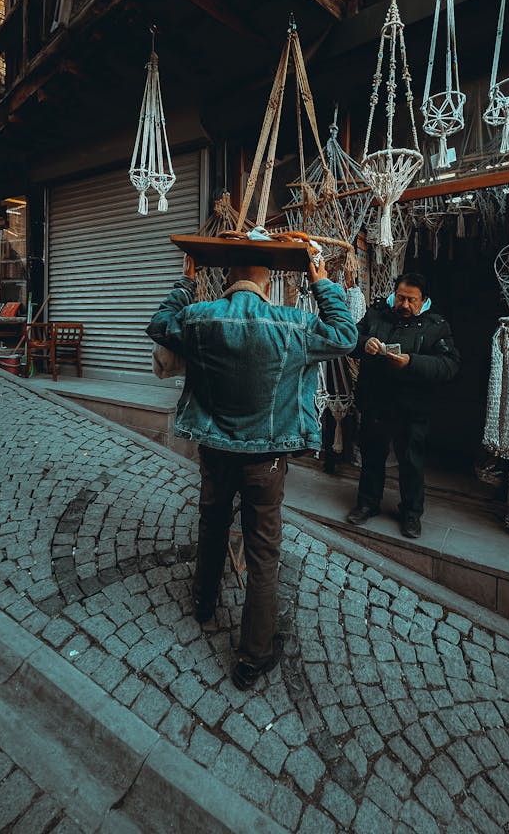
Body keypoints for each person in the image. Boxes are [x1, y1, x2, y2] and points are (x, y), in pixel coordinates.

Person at [147, 253, 357, 689]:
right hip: (267, 461)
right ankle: (252, 658)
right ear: (266, 282)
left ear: (227, 279)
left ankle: (204, 603)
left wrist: (186, 282)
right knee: (263, 553)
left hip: (216, 453)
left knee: (211, 526)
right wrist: (322, 283)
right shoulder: (293, 324)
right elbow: (345, 335)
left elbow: (158, 323)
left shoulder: (199, 317)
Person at [348, 272, 460, 538]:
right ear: (394, 294)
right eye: (401, 298)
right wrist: (365, 344)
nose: (405, 305)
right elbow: (350, 339)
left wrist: (411, 362)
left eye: (412, 300)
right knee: (372, 456)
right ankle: (367, 503)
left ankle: (411, 514)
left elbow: (450, 365)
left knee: (411, 461)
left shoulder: (436, 325)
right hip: (375, 401)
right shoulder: (376, 314)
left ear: (424, 301)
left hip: (413, 407)